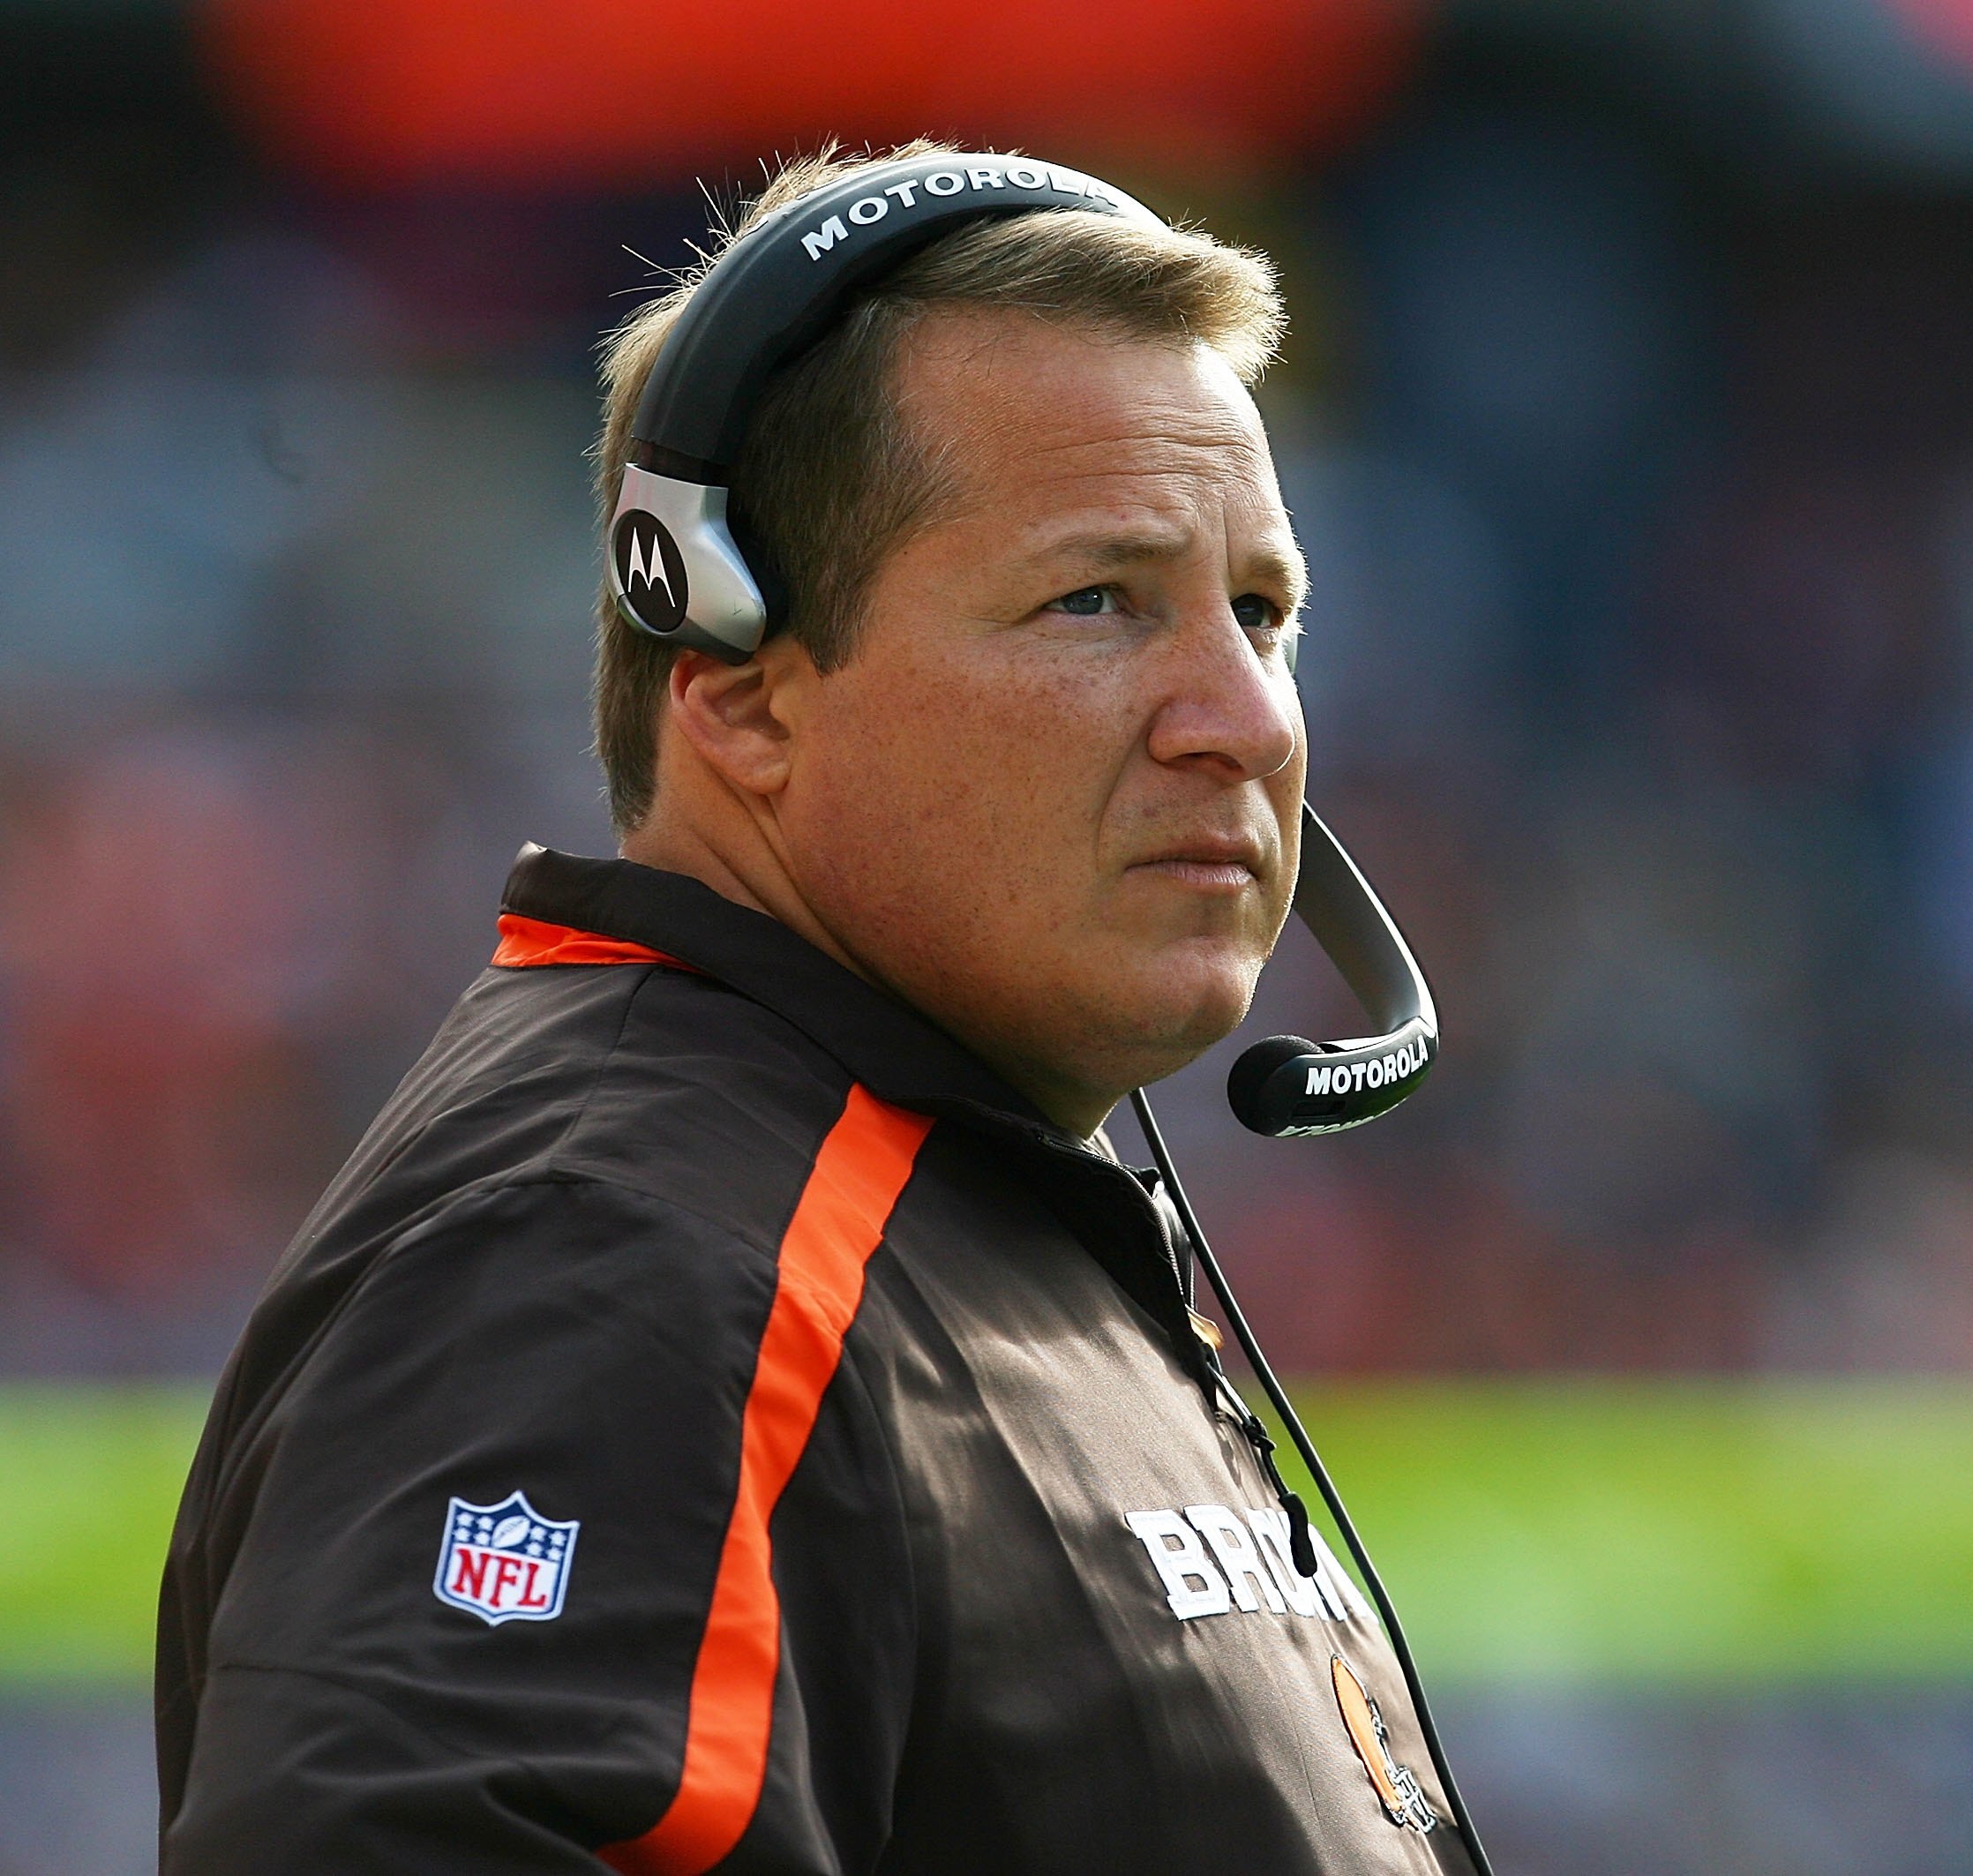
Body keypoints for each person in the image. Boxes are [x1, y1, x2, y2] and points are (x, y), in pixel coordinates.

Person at [154, 142, 1474, 1874]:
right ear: (739, 694)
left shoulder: (923, 1205)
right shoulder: (610, 1258)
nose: (1243, 716)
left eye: (1263, 611)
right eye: (1099, 602)